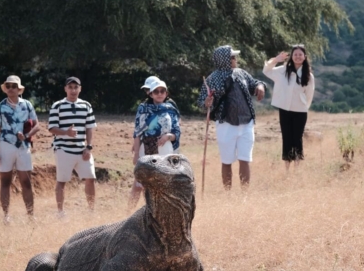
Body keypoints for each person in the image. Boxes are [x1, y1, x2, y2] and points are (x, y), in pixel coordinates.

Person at [197, 45, 266, 190]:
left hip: (246, 123)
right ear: (224, 60)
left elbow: (254, 84)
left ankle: (244, 195)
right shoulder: (212, 79)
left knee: (245, 159)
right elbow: (202, 102)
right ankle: (228, 194)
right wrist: (206, 102)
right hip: (225, 124)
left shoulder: (242, 73)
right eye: (232, 57)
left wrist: (260, 86)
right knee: (226, 161)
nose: (235, 59)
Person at [0, 75, 40, 223]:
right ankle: (6, 216)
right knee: (5, 181)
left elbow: (37, 125)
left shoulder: (27, 105)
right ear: (5, 88)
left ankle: (31, 216)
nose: (11, 88)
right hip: (5, 145)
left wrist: (26, 135)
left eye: (14, 86)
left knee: (26, 181)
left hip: (23, 147)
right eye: (8, 86)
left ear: (19, 89)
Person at [128, 79, 181, 210]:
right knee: (140, 181)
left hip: (165, 148)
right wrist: (136, 155)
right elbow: (137, 132)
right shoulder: (143, 109)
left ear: (166, 93)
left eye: (162, 91)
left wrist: (168, 136)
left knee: (164, 180)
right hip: (145, 148)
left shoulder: (171, 109)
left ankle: (160, 211)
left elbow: (177, 132)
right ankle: (129, 212)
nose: (159, 93)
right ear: (150, 94)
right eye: (156, 91)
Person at [48, 77, 97, 217]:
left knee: (90, 178)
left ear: (80, 89)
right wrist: (66, 133)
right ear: (65, 89)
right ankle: (60, 212)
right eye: (70, 87)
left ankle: (91, 211)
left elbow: (89, 128)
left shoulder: (86, 105)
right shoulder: (57, 106)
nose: (73, 90)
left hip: (82, 149)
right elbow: (51, 128)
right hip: (63, 149)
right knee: (62, 181)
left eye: (76, 87)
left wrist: (89, 147)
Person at [263, 45, 315, 170]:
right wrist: (276, 60)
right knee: (286, 137)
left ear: (305, 57)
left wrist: (303, 106)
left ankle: (297, 167)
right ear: (291, 56)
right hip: (285, 110)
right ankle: (287, 167)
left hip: (300, 111)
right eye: (295, 54)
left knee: (297, 138)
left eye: (300, 54)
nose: (297, 57)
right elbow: (266, 70)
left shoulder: (308, 75)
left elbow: (309, 95)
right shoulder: (283, 70)